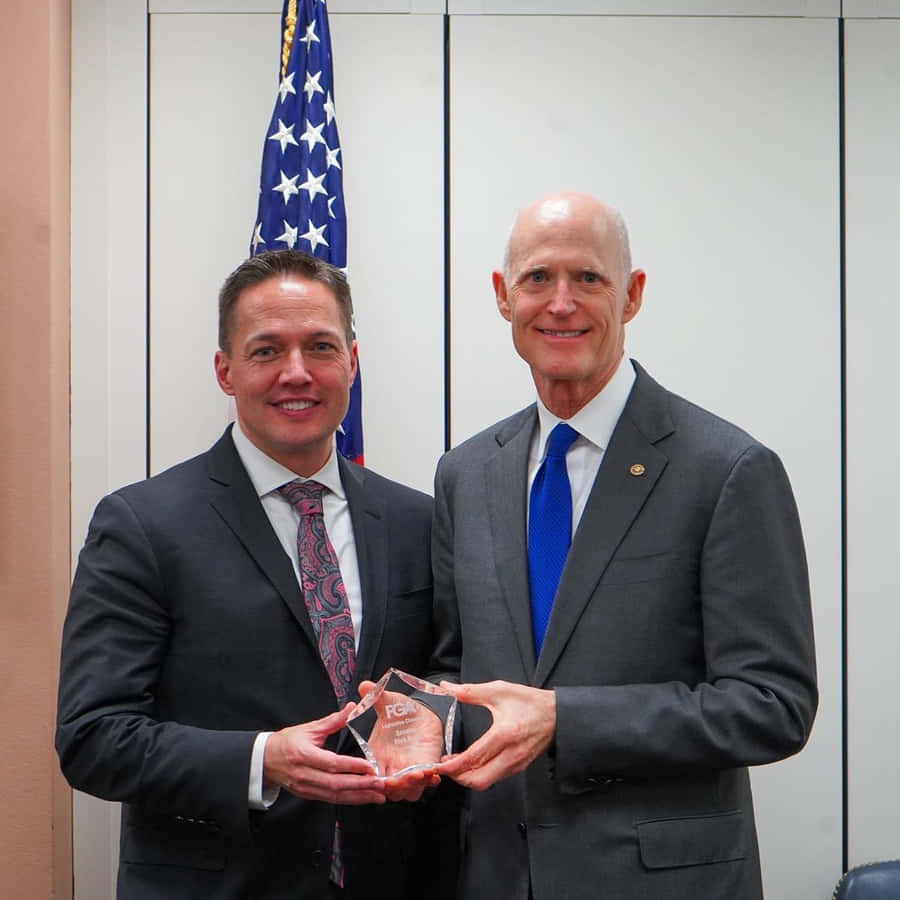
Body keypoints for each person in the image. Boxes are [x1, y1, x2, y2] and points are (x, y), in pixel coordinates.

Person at [430, 192, 818, 900]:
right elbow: (459, 667)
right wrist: (407, 725)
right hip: (497, 877)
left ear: (633, 295)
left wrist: (565, 722)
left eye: (589, 278)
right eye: (538, 278)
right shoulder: (465, 474)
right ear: (501, 296)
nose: (561, 303)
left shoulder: (726, 470)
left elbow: (773, 704)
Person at [56, 249, 457, 899]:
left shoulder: (420, 520)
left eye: (320, 347)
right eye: (267, 350)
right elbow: (92, 737)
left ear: (352, 361)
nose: (296, 373)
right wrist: (262, 760)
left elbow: (447, 679)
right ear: (226, 370)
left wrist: (428, 743)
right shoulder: (143, 526)